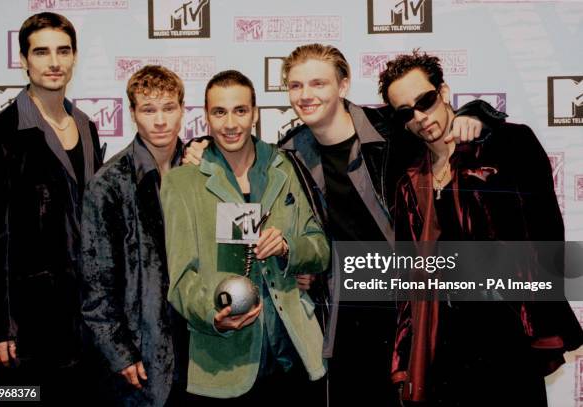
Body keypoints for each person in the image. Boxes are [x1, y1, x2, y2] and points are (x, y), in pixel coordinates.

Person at [183, 43, 498, 406]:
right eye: (296, 85)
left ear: (343, 85)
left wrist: (478, 113)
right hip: (344, 311)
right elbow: (239, 154)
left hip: (412, 303)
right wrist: (200, 147)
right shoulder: (290, 154)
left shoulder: (390, 130)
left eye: (318, 83)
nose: (306, 95)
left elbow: (438, 121)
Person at [379, 50, 583, 406]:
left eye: (425, 100)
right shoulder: (410, 177)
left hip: (507, 327)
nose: (420, 116)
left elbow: (546, 226)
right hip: (442, 337)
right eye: (406, 112)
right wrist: (405, 357)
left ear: (443, 92)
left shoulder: (506, 146)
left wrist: (486, 121)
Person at [160, 70, 329, 404]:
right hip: (226, 363)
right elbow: (181, 279)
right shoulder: (183, 182)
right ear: (206, 116)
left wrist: (287, 247)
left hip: (294, 354)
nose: (230, 123)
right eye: (219, 112)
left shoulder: (284, 165)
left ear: (254, 113)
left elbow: (319, 247)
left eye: (240, 111)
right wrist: (214, 314)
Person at [0, 12, 105, 403]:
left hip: (82, 323)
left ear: (75, 57)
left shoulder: (85, 126)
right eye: (41, 51)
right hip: (22, 333)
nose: (54, 62)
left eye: (63, 51)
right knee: (21, 401)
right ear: (23, 60)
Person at [80, 65, 189, 406]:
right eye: (149, 110)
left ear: (183, 110)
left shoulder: (202, 171)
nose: (160, 121)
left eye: (169, 108)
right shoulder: (108, 184)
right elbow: (95, 283)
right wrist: (120, 353)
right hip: (142, 354)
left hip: (200, 350)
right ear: (132, 114)